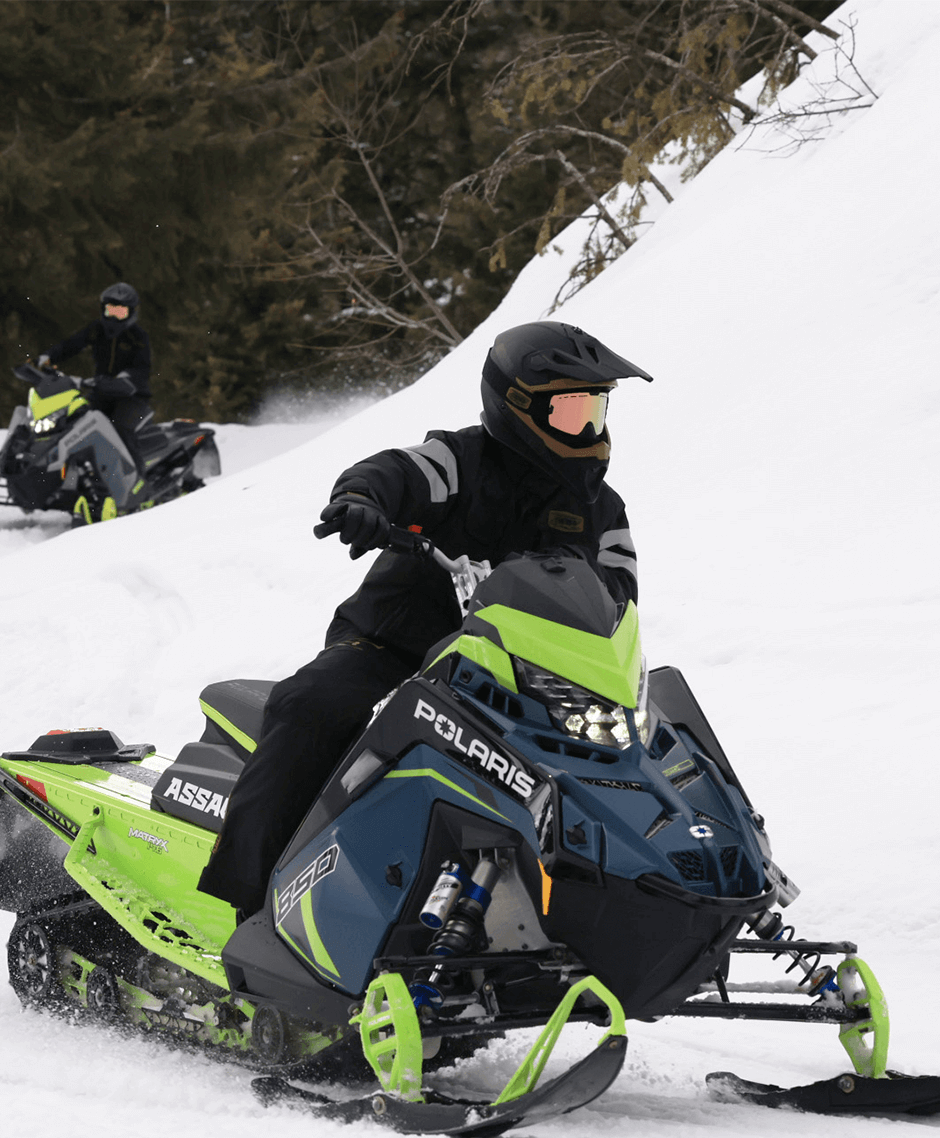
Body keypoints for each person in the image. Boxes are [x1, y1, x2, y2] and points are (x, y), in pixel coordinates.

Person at [197, 321, 653, 918]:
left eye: (594, 410)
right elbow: (396, 471)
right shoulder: (461, 459)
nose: (588, 428)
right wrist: (362, 500)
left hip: (516, 676)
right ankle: (249, 907)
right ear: (517, 405)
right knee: (310, 706)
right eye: (571, 412)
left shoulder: (602, 508)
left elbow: (618, 594)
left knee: (624, 752)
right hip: (394, 651)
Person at [38, 282, 153, 489]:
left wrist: (126, 378)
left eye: (120, 312)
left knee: (120, 429)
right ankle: (69, 481)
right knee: (73, 424)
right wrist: (49, 357)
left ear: (131, 313)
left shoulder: (138, 337)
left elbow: (143, 368)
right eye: (110, 310)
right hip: (101, 393)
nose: (113, 317)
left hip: (132, 397)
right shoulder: (96, 330)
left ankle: (138, 484)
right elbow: (72, 344)